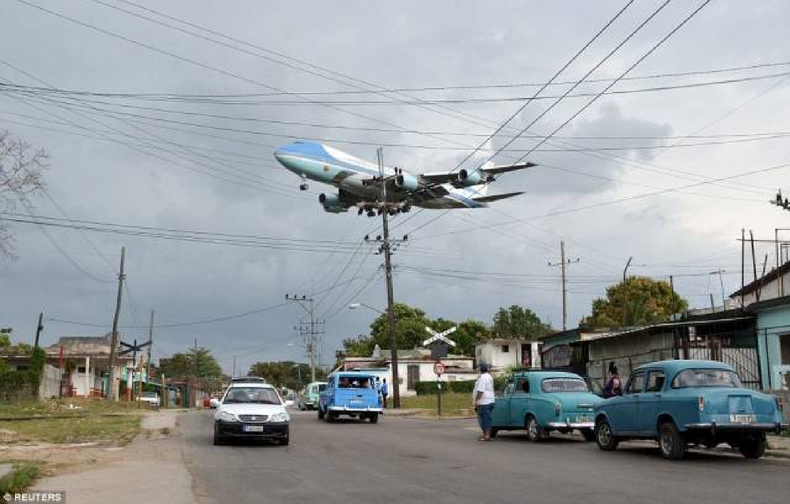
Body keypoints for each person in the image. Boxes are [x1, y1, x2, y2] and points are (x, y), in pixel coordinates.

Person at [472, 363, 495, 441]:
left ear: (480, 369)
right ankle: (485, 433)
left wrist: (477, 400)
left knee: (484, 419)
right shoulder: (488, 376)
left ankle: (487, 435)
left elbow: (480, 390)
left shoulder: (483, 378)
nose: (477, 370)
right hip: (489, 400)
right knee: (485, 418)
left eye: (478, 368)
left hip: (484, 401)